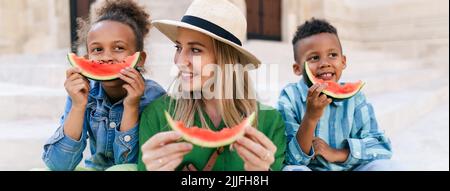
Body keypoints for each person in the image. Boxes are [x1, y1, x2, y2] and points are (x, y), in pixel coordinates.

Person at [138, 0, 286, 171]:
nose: (179, 61)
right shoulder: (157, 115)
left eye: (195, 50)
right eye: (178, 47)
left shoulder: (270, 122)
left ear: (226, 60)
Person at [42, 0, 165, 171]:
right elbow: (58, 165)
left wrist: (131, 106)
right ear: (86, 59)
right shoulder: (84, 93)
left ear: (140, 58)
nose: (106, 57)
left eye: (118, 48)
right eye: (97, 50)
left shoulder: (154, 97)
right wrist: (78, 105)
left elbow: (128, 163)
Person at [278, 18, 395, 171]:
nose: (325, 63)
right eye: (314, 57)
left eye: (332, 55)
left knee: (387, 166)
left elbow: (381, 148)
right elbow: (291, 158)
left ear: (343, 61)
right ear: (297, 68)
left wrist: (336, 153)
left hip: (349, 167)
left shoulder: (355, 98)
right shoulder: (289, 97)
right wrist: (311, 117)